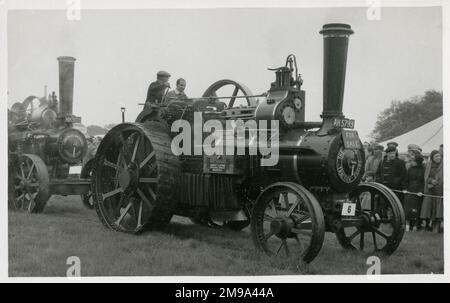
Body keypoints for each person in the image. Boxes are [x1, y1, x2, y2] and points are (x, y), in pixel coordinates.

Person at [420, 150, 443, 232]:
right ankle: (430, 225)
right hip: (430, 190)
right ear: (432, 158)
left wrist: (438, 182)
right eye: (436, 156)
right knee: (430, 208)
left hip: (440, 190)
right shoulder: (429, 165)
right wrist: (431, 181)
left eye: (439, 156)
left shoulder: (444, 165)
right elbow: (426, 176)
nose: (438, 158)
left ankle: (436, 226)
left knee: (439, 209)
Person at [403, 154, 425, 231]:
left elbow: (423, 182)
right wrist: (405, 189)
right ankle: (407, 226)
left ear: (418, 162)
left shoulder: (423, 169)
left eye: (414, 161)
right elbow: (406, 180)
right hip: (409, 192)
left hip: (418, 193)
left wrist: (421, 191)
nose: (412, 162)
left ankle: (415, 225)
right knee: (407, 209)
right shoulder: (410, 169)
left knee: (416, 209)